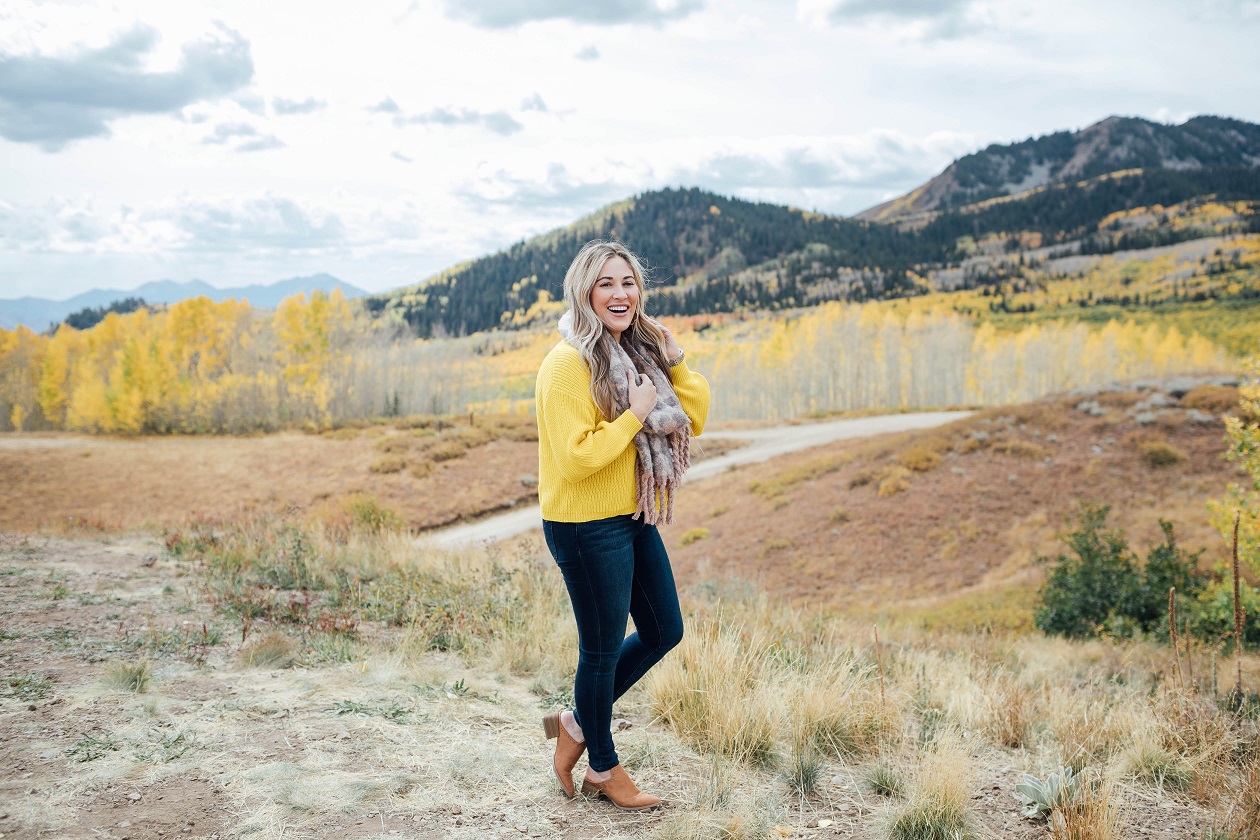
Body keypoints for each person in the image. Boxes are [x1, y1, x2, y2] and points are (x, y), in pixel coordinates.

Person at [535, 240, 710, 810]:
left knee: (665, 630)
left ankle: (576, 724)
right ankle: (604, 769)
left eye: (628, 282)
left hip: (630, 512)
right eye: (606, 283)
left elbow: (697, 417)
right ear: (585, 292)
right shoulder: (567, 364)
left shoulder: (639, 355)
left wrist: (675, 358)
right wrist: (634, 415)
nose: (620, 294)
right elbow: (577, 456)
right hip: (584, 524)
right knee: (602, 650)